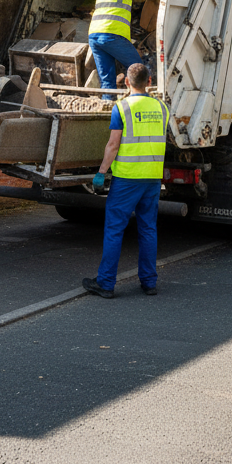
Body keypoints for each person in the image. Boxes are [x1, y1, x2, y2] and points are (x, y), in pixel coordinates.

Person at [82, 63, 166, 298]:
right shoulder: (162, 108)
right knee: (148, 229)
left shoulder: (122, 107)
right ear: (149, 82)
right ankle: (149, 283)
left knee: (114, 229)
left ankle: (106, 283)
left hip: (127, 178)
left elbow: (113, 145)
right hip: (152, 179)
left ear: (127, 83)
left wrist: (101, 172)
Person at [87, 0, 163, 100]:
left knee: (107, 79)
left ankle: (106, 107)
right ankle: (139, 101)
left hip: (94, 35)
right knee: (137, 68)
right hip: (112, 34)